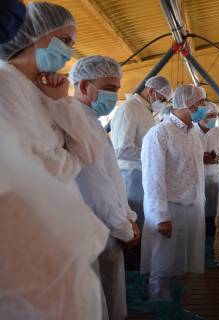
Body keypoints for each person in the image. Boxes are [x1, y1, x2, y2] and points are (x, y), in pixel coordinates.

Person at [0, 2, 102, 197]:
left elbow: (91, 153)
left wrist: (62, 102)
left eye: (72, 44)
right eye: (64, 40)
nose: (69, 51)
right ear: (33, 34)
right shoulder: (6, 82)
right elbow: (39, 169)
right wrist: (72, 153)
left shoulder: (47, 90)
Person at [69, 55, 141, 320]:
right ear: (85, 85)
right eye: (110, 88)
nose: (115, 94)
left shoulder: (90, 122)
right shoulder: (77, 123)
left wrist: (129, 218)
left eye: (117, 88)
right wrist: (124, 228)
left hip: (107, 227)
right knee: (99, 305)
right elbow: (94, 190)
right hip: (96, 230)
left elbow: (111, 181)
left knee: (107, 302)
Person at [141, 84, 207, 299]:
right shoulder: (160, 133)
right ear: (189, 105)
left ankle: (176, 305)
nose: (205, 108)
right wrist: (161, 216)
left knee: (182, 261)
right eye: (202, 103)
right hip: (169, 209)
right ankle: (161, 306)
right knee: (163, 264)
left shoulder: (193, 134)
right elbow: (153, 178)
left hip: (191, 208)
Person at [110, 76, 172, 269]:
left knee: (144, 224)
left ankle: (142, 265)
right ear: (151, 90)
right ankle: (133, 269)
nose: (161, 103)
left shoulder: (145, 111)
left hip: (142, 174)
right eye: (161, 98)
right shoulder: (129, 109)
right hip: (131, 176)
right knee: (134, 227)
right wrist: (152, 154)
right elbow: (122, 148)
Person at [194, 101, 219, 269]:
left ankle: (209, 254)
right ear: (201, 116)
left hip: (213, 180)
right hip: (194, 180)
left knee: (211, 219)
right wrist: (199, 158)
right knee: (195, 217)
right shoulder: (191, 131)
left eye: (215, 117)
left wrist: (216, 158)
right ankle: (194, 255)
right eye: (210, 116)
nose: (213, 120)